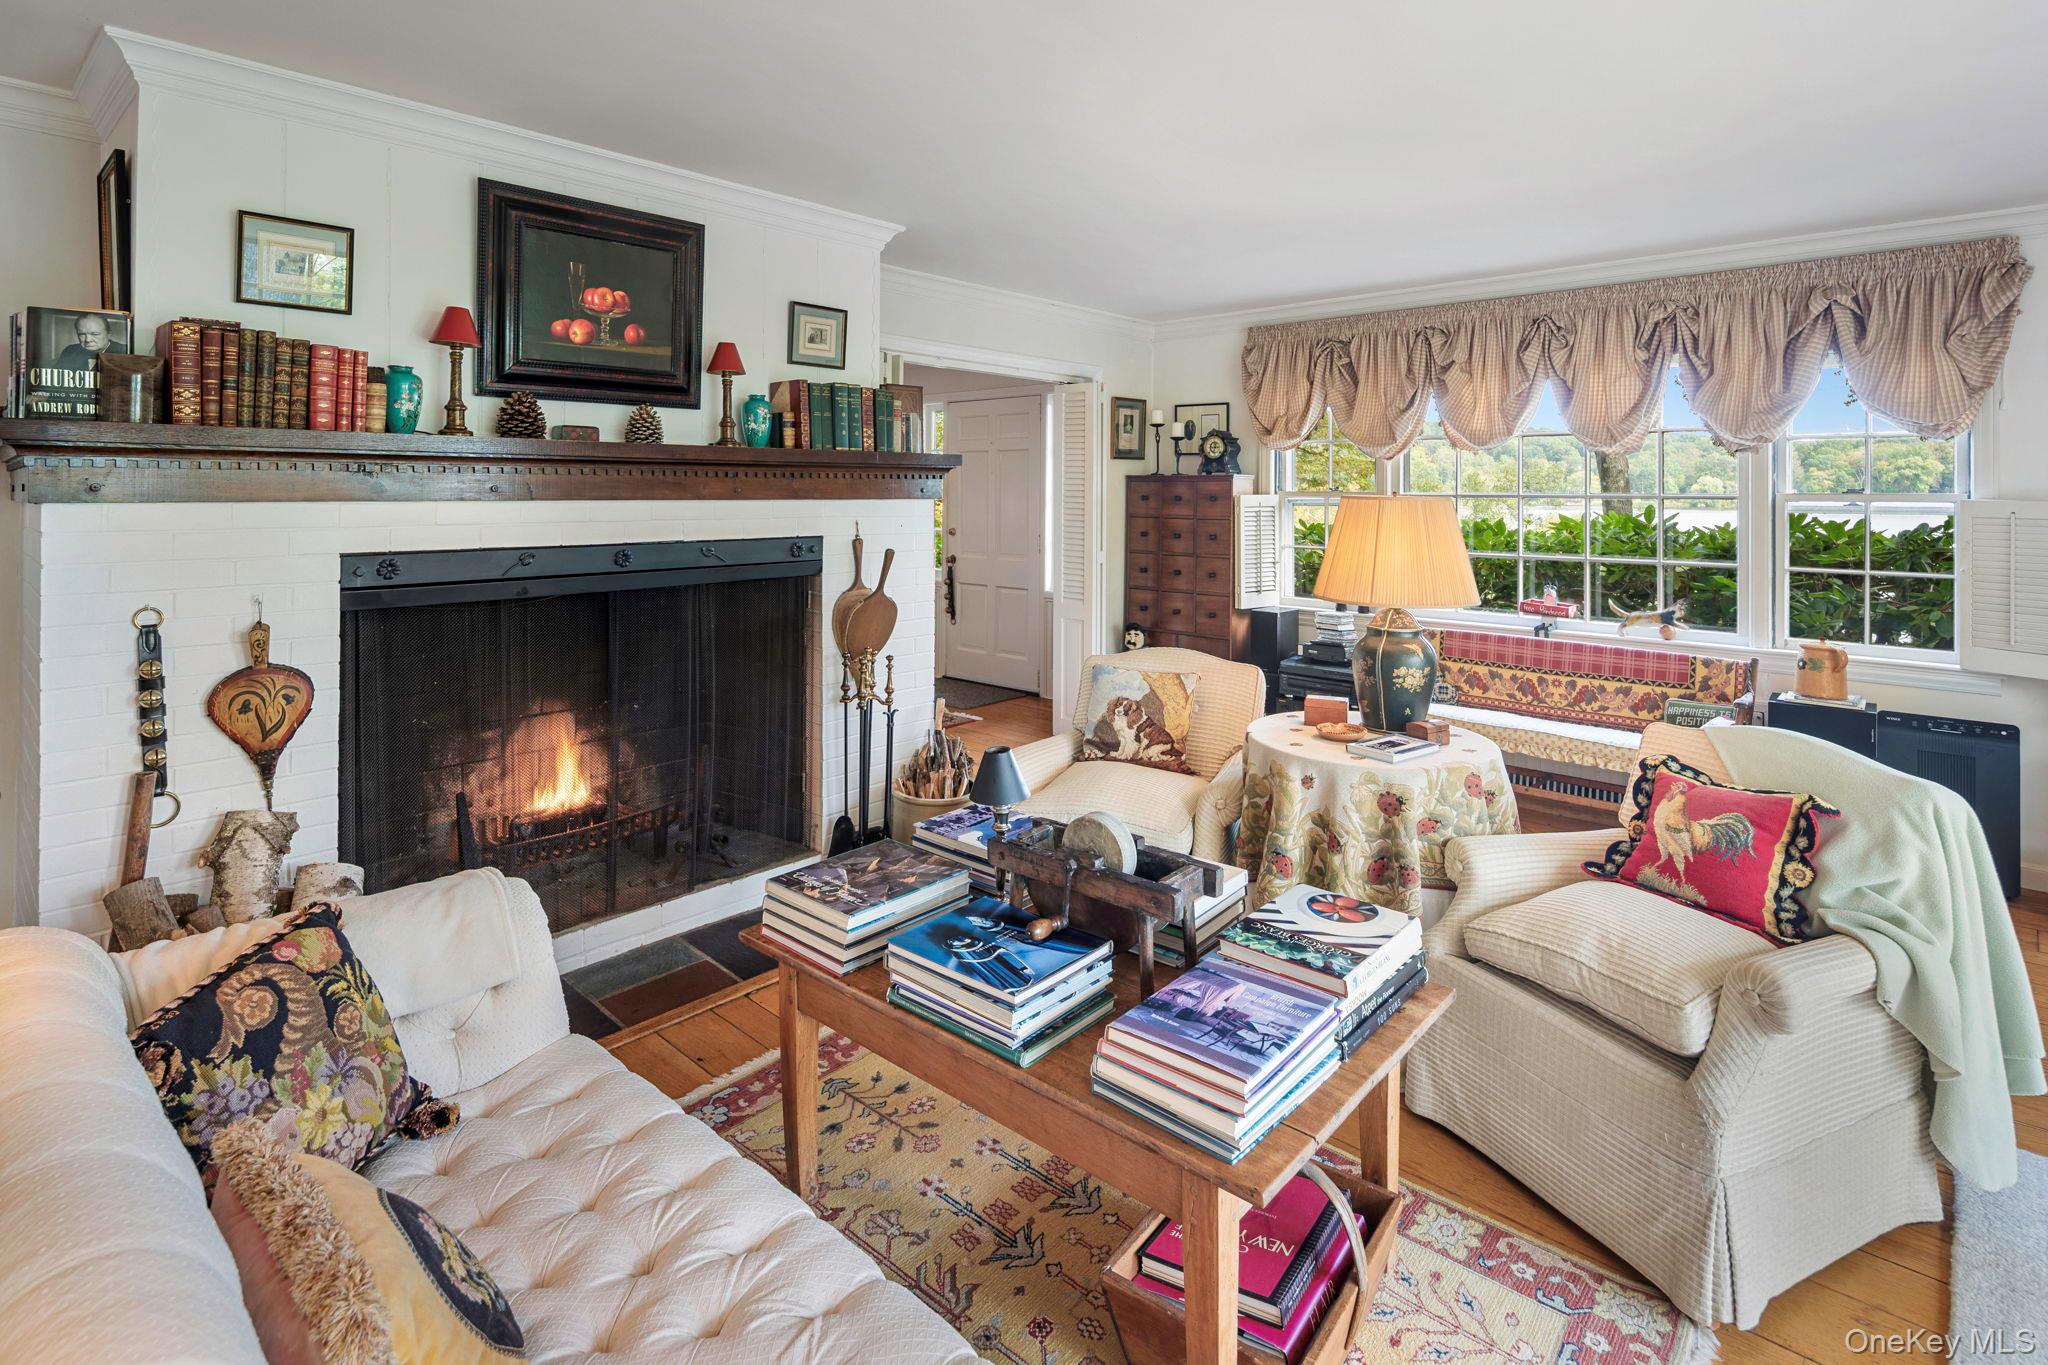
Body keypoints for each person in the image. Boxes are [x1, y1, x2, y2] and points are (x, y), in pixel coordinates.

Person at [55, 314, 121, 372]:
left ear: (109, 334)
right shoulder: (70, 351)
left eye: (95, 334)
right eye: (82, 334)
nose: (88, 340)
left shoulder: (123, 351)